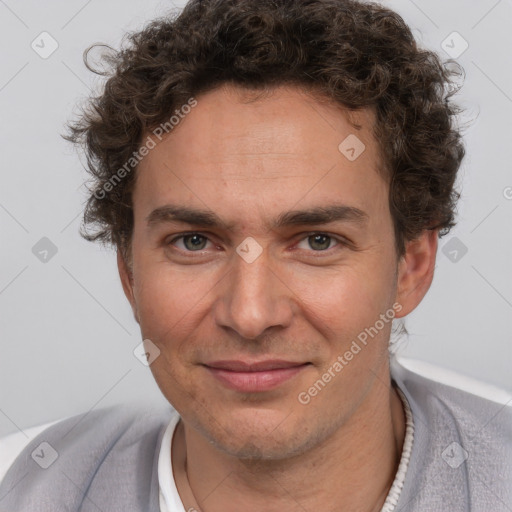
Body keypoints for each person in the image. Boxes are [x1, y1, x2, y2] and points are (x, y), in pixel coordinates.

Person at [1, 0, 510, 510]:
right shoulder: (22, 484)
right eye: (194, 241)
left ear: (412, 266)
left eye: (317, 241)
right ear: (129, 273)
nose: (249, 315)